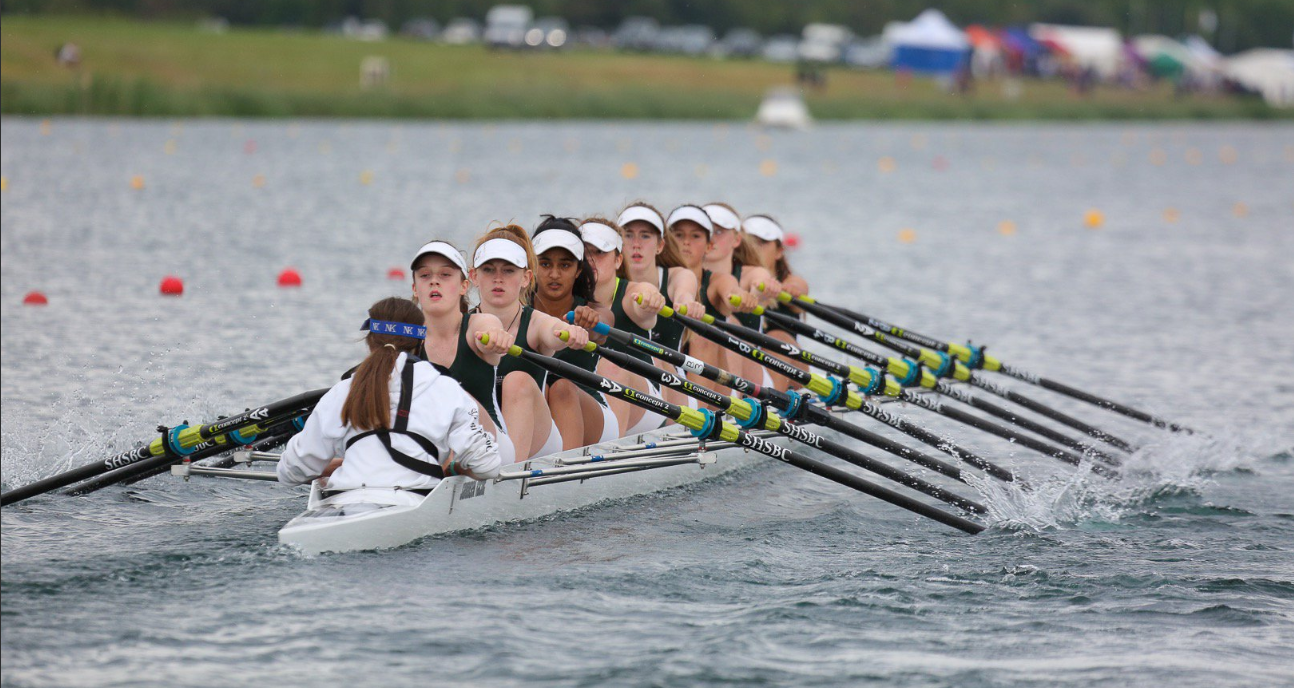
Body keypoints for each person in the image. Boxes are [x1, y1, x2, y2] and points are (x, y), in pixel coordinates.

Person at [277, 297, 502, 499]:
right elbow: (488, 466)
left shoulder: (342, 390)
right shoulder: (446, 388)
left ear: (369, 341)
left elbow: (290, 472)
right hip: (414, 503)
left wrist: (331, 467)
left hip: (344, 498)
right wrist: (454, 469)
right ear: (420, 342)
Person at [470, 224, 591, 459]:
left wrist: (569, 332)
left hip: (538, 441)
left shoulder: (535, 323)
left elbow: (553, 330)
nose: (498, 279)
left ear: (526, 278)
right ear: (473, 276)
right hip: (487, 435)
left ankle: (506, 476)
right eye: (488, 270)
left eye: (508, 270)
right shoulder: (462, 325)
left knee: (517, 381)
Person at [410, 239, 520, 463]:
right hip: (435, 448)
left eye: (445, 275)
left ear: (463, 286)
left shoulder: (478, 324)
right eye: (424, 276)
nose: (434, 282)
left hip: (493, 447)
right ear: (415, 289)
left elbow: (489, 328)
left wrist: (495, 338)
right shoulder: (407, 340)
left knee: (446, 390)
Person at [529, 215, 621, 448]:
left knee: (561, 387)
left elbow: (604, 326)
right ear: (532, 266)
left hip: (593, 417)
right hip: (537, 411)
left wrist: (591, 323)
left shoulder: (593, 310)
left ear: (579, 270)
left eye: (565, 265)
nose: (555, 274)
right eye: (546, 263)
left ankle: (566, 472)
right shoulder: (518, 309)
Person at [574, 216, 667, 435]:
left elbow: (643, 295)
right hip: (589, 395)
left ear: (618, 260)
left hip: (644, 403)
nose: (591, 260)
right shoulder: (565, 294)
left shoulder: (630, 293)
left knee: (610, 366)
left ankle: (611, 451)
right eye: (584, 253)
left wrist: (650, 299)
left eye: (599, 253)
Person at [616, 202, 705, 411]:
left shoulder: (677, 275)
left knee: (655, 358)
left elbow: (684, 292)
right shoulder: (608, 282)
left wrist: (687, 304)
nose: (636, 244)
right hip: (623, 385)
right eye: (628, 235)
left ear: (660, 246)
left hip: (673, 389)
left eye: (645, 236)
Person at [665, 204, 759, 396]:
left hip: (719, 391)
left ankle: (696, 416)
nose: (686, 242)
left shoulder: (717, 280)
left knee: (704, 334)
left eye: (695, 236)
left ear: (709, 246)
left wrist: (739, 297)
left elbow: (730, 290)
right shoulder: (655, 279)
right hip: (671, 382)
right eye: (679, 235)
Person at [702, 202, 781, 388]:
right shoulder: (682, 276)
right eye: (707, 231)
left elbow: (758, 283)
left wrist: (759, 291)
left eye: (719, 231)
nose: (712, 238)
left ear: (737, 239)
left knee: (728, 323)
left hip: (752, 382)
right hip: (706, 374)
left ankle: (733, 398)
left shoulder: (751, 274)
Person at [744, 214, 811, 391]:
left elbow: (800, 288)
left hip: (792, 373)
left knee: (777, 338)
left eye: (762, 243)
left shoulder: (790, 282)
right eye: (750, 243)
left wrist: (787, 291)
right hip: (748, 365)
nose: (755, 249)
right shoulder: (732, 281)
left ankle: (774, 403)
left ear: (779, 251)